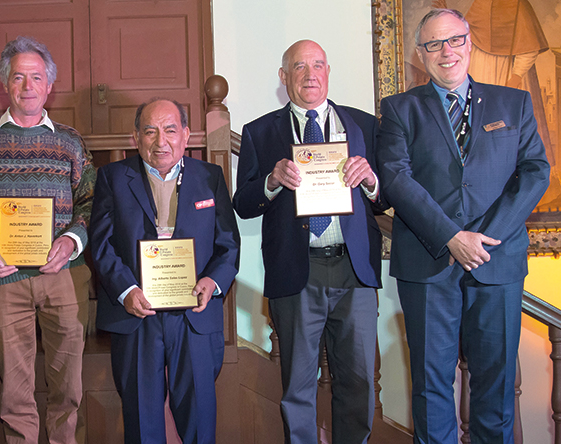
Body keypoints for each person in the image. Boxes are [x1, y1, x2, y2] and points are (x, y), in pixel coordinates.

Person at [376, 9, 550, 443]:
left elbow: (535, 172)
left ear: (469, 43)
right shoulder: (399, 109)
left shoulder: (514, 103)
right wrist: (452, 237)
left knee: (496, 385)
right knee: (431, 385)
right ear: (421, 54)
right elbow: (396, 178)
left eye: (454, 40)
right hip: (428, 263)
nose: (446, 51)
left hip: (497, 260)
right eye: (434, 44)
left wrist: (484, 238)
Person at [233, 40, 386, 444]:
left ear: (328, 72)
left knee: (358, 383)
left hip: (354, 270)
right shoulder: (260, 132)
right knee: (298, 389)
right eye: (299, 67)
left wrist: (371, 179)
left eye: (317, 65)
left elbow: (385, 197)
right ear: (284, 77)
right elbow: (243, 204)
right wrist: (271, 180)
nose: (310, 74)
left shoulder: (364, 125)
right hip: (297, 271)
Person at [0, 35, 94, 444]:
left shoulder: (70, 141)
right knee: (15, 394)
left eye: (36, 77)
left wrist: (72, 241)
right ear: (5, 83)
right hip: (1, 280)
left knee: (69, 389)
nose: (28, 86)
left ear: (50, 85)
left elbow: (90, 202)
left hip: (63, 277)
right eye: (18, 77)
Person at [90, 98, 240, 443]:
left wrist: (212, 281)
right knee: (142, 420)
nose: (161, 141)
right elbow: (101, 244)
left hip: (194, 314)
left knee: (200, 417)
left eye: (170, 130)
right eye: (150, 131)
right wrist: (126, 290)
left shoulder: (210, 177)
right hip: (137, 313)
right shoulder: (113, 178)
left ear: (186, 135)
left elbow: (229, 243)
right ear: (136, 137)